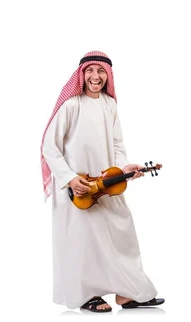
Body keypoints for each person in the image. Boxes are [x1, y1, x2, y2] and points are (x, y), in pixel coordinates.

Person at [40, 51, 165, 313]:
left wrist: (123, 168)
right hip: (78, 188)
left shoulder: (109, 104)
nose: (95, 77)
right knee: (83, 242)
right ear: (82, 74)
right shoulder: (71, 105)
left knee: (123, 234)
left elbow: (117, 144)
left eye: (101, 72)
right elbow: (49, 147)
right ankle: (87, 295)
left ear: (108, 76)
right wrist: (70, 179)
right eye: (90, 71)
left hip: (106, 186)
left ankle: (128, 294)